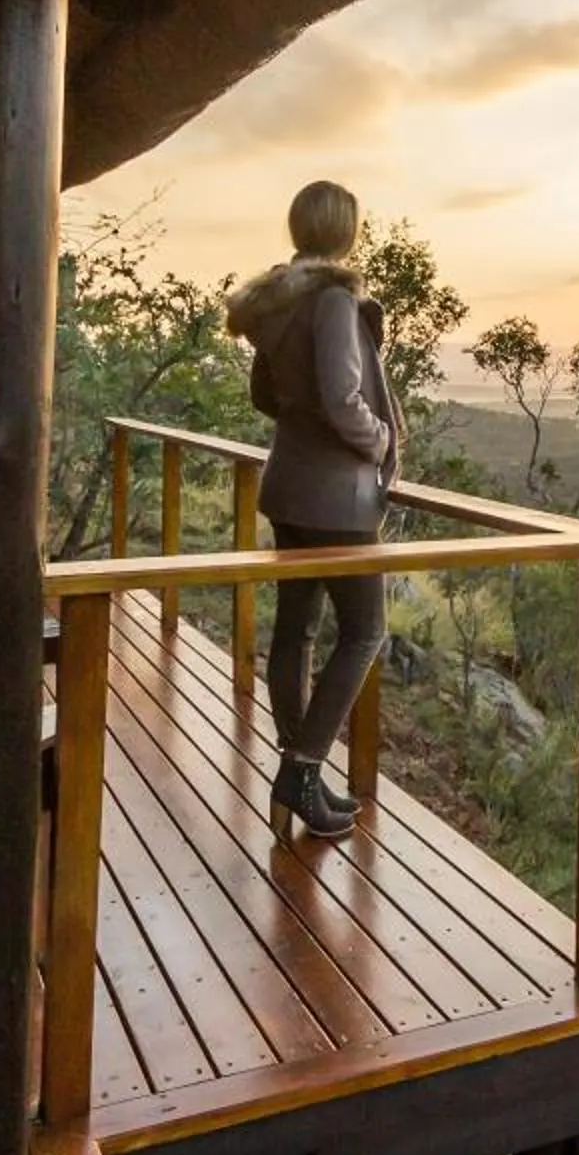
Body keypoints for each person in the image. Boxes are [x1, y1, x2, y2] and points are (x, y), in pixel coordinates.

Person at [223, 180, 405, 841]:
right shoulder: (331, 300)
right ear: (346, 232)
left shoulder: (278, 304)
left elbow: (265, 397)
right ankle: (301, 769)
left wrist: (304, 421)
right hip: (337, 500)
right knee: (364, 630)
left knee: (297, 629)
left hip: (290, 486)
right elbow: (343, 397)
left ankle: (298, 767)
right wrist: (380, 439)